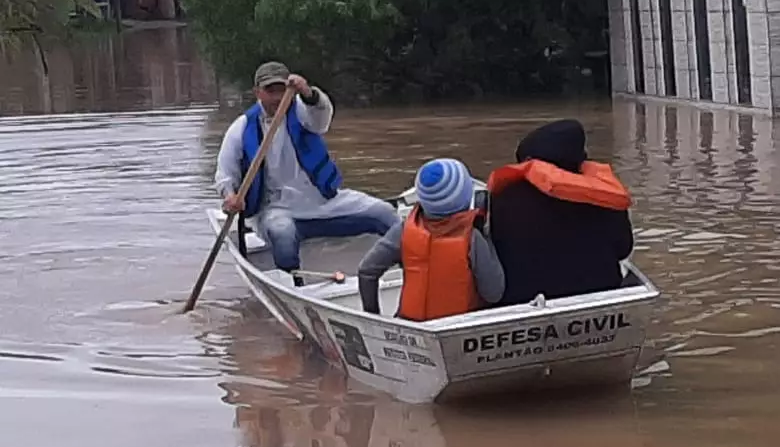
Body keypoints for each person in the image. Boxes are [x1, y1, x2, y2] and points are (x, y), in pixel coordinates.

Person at [215, 61, 399, 286]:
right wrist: (230, 196)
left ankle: (405, 270)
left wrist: (308, 93)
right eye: (270, 91)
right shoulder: (241, 128)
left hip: (323, 201)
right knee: (282, 233)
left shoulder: (303, 111)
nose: (277, 97)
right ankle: (294, 289)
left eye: (282, 90)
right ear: (257, 93)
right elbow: (225, 174)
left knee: (386, 213)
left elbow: (322, 118)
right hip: (277, 208)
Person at [485, 119, 634, 307]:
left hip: (522, 300)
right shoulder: (605, 195)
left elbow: (495, 255)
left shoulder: (504, 196)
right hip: (598, 294)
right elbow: (623, 249)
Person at [357, 158, 505, 319]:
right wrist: (488, 238)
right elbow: (494, 293)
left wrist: (372, 315)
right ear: (465, 196)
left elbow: (367, 271)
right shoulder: (473, 239)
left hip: (409, 325)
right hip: (458, 328)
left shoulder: (403, 230)